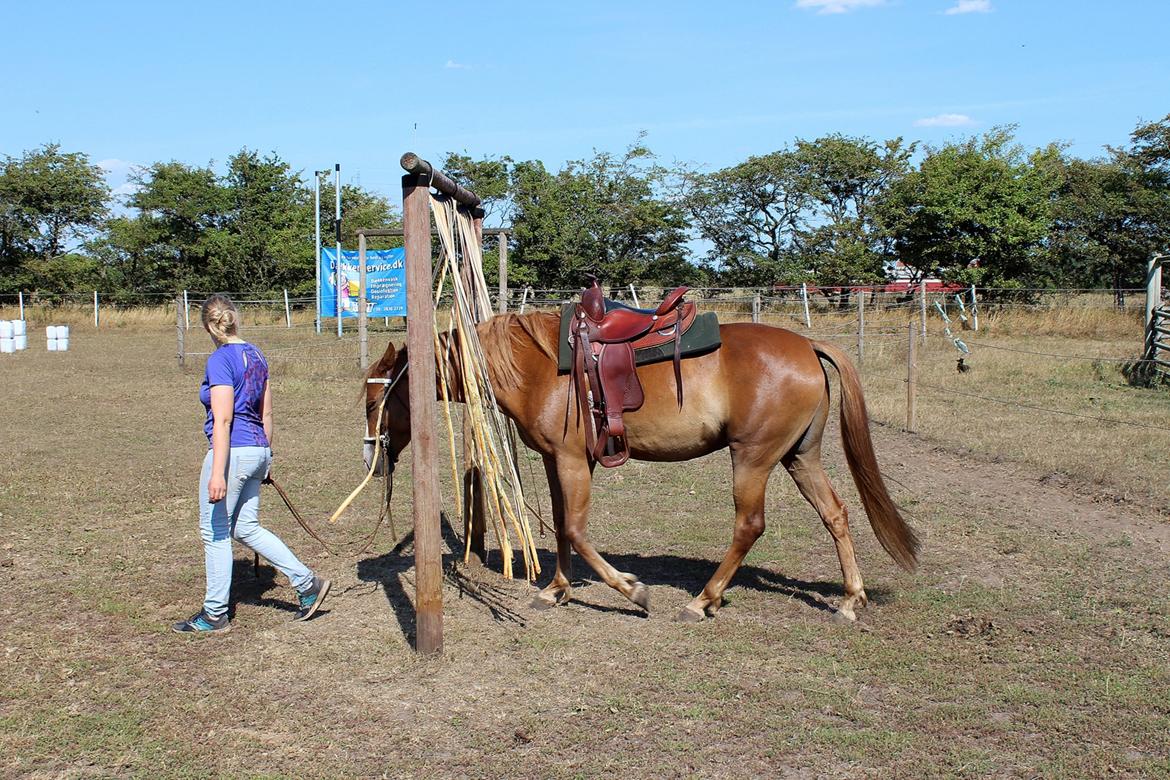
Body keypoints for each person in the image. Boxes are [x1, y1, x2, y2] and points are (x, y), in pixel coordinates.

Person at [173, 294, 330, 633]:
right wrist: (267, 456)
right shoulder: (257, 355)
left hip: (233, 452)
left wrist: (218, 472)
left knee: (213, 532)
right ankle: (307, 583)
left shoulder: (219, 360)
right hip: (258, 449)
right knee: (245, 527)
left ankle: (214, 614)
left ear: (207, 326)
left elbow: (224, 419)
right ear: (234, 319)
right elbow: (267, 412)